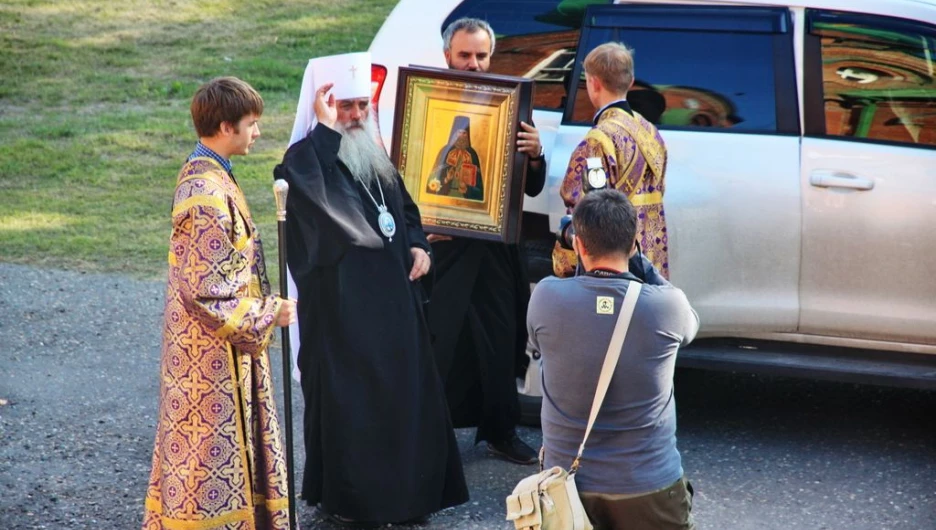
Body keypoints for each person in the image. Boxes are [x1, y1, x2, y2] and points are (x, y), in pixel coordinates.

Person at [273, 52, 469, 526]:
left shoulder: (372, 151)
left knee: (405, 400)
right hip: (345, 318)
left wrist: (419, 246)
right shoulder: (304, 160)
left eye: (362, 105)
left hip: (398, 310)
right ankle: (358, 504)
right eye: (345, 106)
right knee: (358, 408)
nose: (357, 116)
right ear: (322, 105)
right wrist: (325, 132)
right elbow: (323, 208)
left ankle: (410, 497)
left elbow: (402, 211)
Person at [142, 77, 298, 530]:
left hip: (214, 351)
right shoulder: (206, 194)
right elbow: (205, 291)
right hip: (210, 360)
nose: (258, 132)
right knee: (208, 457)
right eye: (252, 124)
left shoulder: (209, 172)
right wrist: (269, 313)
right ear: (226, 126)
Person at [529, 189, 698, 530]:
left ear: (578, 244)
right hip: (648, 487)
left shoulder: (546, 297)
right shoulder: (667, 306)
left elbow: (544, 337)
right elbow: (691, 327)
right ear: (635, 242)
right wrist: (643, 265)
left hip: (566, 486)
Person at [425, 17, 545, 466]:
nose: (474, 64)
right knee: (440, 344)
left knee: (499, 342)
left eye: (481, 56)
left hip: (496, 252)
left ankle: (500, 432)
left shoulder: (512, 105)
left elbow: (529, 188)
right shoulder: (428, 103)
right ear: (447, 56)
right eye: (465, 55)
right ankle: (431, 435)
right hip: (442, 248)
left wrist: (535, 155)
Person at [553, 42, 670, 279]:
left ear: (593, 83)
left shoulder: (598, 140)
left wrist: (563, 266)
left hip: (615, 266)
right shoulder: (651, 131)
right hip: (650, 261)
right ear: (631, 80)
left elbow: (585, 210)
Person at [426, 116, 484, 200]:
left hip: (465, 198)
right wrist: (446, 179)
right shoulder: (445, 151)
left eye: (464, 133)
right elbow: (433, 180)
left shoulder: (472, 154)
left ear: (467, 135)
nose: (461, 136)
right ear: (454, 133)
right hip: (446, 195)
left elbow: (479, 189)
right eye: (459, 132)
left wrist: (467, 187)